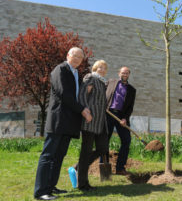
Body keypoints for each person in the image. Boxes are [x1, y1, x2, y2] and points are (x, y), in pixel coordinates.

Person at [34, 47, 92, 200]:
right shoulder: (60, 70)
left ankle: (51, 187)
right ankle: (40, 192)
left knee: (59, 156)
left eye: (80, 57)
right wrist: (82, 110)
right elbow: (64, 94)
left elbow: (76, 96)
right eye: (75, 56)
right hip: (58, 120)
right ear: (68, 55)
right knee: (48, 155)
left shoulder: (76, 74)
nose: (78, 59)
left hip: (69, 122)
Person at [77, 60, 109, 191]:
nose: (102, 69)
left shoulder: (102, 82)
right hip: (90, 120)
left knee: (103, 148)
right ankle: (83, 184)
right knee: (86, 152)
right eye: (100, 67)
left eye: (104, 68)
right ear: (95, 68)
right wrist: (85, 111)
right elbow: (82, 95)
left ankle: (78, 167)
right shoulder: (90, 78)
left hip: (100, 121)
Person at [106, 66, 136, 175]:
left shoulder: (132, 90)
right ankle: (104, 166)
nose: (125, 75)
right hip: (108, 113)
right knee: (105, 140)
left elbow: (130, 107)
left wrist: (125, 118)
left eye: (127, 73)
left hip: (121, 117)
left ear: (129, 75)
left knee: (126, 140)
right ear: (119, 73)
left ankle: (120, 168)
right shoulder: (110, 82)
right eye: (123, 73)